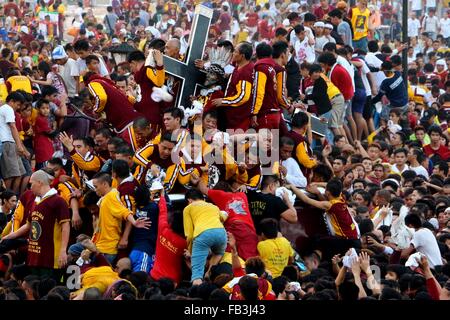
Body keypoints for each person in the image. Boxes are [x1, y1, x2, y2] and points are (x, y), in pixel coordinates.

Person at [1, 170, 70, 281]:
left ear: (40, 182)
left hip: (50, 258)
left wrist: (63, 251)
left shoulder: (58, 201)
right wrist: (9, 236)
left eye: (31, 183)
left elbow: (65, 226)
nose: (30, 187)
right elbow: (28, 225)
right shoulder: (35, 201)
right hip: (34, 256)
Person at [289, 178, 360, 259]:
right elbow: (328, 185)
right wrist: (317, 186)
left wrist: (292, 187)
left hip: (346, 242)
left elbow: (306, 200)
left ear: (327, 192)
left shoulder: (330, 205)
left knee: (316, 241)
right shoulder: (340, 197)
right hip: (354, 238)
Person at [183, 188, 227, 285]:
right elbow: (223, 216)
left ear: (189, 200)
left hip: (203, 234)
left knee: (197, 274)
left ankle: (197, 290)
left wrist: (190, 251)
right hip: (221, 233)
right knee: (218, 252)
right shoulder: (213, 206)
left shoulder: (188, 208)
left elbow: (189, 234)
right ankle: (209, 272)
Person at [127, 50, 165, 131]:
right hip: (144, 113)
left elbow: (159, 82)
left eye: (131, 66)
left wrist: (160, 64)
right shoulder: (141, 73)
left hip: (152, 114)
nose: (131, 69)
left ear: (133, 63)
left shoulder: (148, 69)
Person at [0, 92, 28, 193]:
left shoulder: (5, 108)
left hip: (10, 142)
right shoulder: (8, 108)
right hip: (7, 143)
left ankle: (13, 198)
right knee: (10, 175)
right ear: (11, 101)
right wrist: (19, 146)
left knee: (19, 174)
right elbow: (12, 126)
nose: (19, 107)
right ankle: (6, 198)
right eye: (18, 104)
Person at [250, 43, 280, 130]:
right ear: (270, 55)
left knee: (264, 143)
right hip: (274, 114)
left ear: (256, 54)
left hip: (266, 114)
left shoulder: (261, 68)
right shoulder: (271, 68)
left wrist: (254, 112)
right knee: (273, 143)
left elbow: (259, 91)